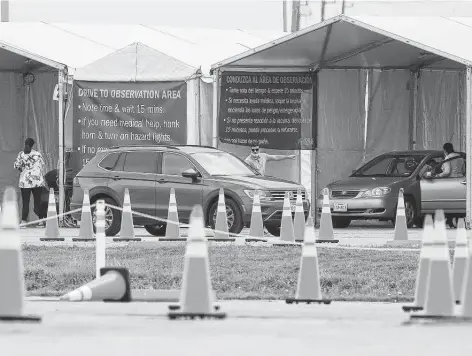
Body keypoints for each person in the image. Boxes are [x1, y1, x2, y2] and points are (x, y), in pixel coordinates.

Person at [13, 138, 46, 227]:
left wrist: (24, 171)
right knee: (38, 202)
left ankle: (23, 222)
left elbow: (17, 166)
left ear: (25, 144)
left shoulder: (21, 154)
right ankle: (41, 221)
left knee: (25, 202)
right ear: (32, 145)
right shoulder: (38, 154)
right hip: (37, 182)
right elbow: (42, 166)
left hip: (25, 182)